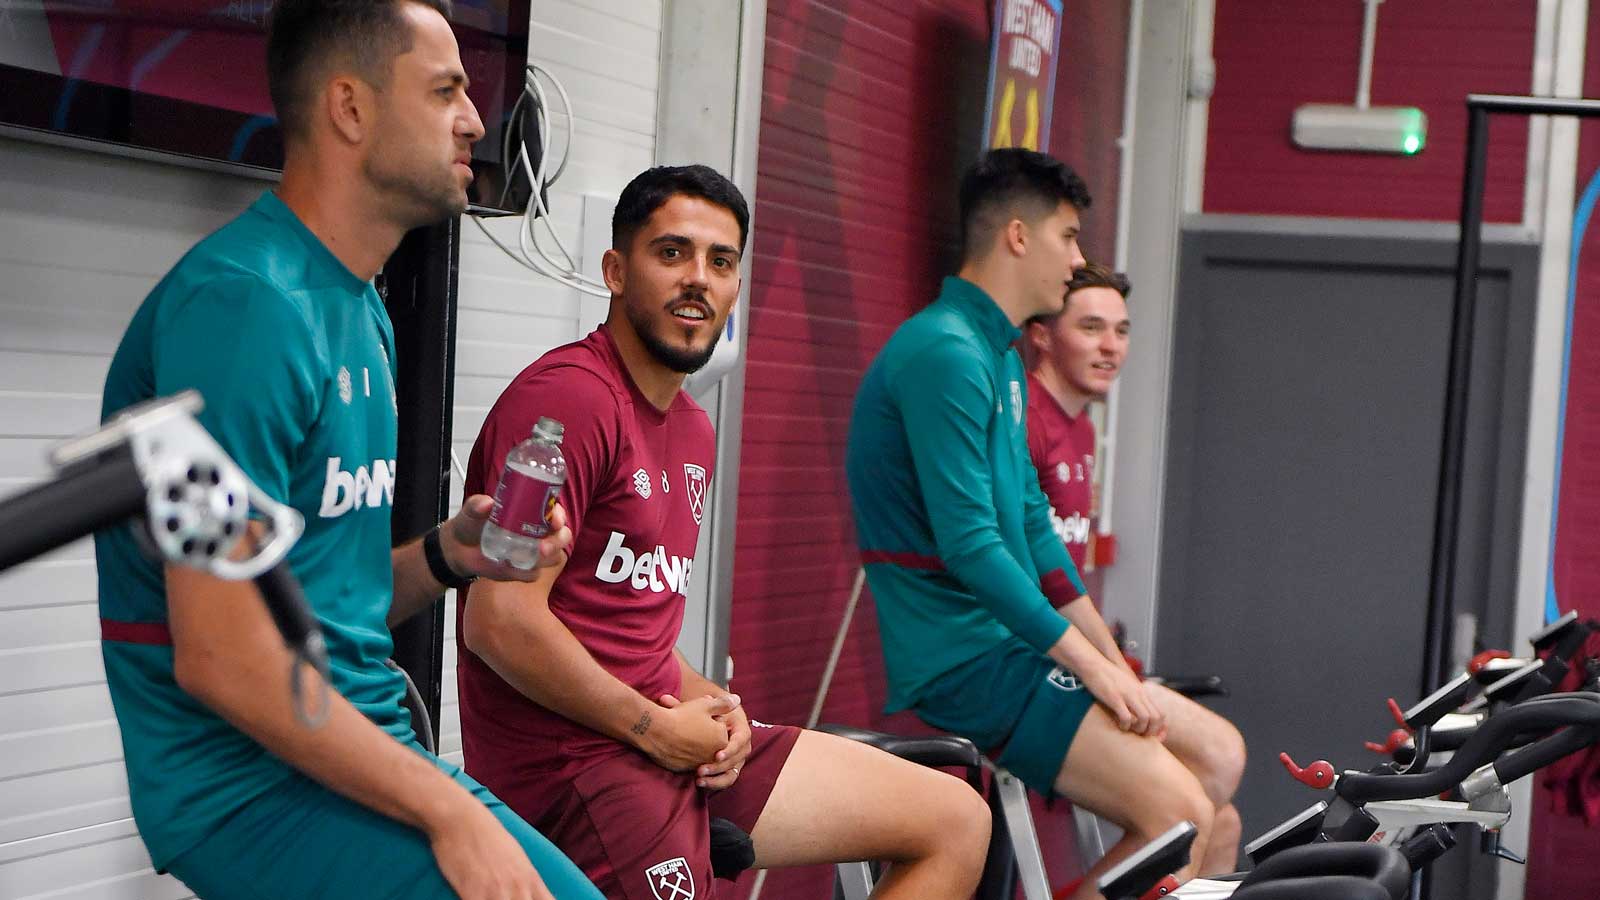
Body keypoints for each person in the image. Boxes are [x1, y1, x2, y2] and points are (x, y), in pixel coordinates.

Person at [94, 2, 601, 897]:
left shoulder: (359, 307)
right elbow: (225, 657)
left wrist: (451, 553)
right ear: (351, 109)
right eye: (445, 90)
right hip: (244, 790)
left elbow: (331, 601)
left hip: (356, 750)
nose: (478, 120)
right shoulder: (244, 308)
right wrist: (449, 814)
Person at [457, 163, 992, 900]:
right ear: (616, 270)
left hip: (660, 739)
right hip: (574, 765)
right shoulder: (567, 402)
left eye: (721, 261)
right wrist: (650, 727)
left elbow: (628, 629)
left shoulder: (692, 427)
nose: (698, 280)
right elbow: (499, 621)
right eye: (671, 253)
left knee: (956, 820)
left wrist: (727, 711)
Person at [845, 148, 1226, 899]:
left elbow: (1030, 526)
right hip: (964, 657)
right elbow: (971, 547)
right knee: (1180, 815)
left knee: (1215, 762)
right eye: (1068, 236)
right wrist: (1091, 668)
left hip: (1008, 644)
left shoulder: (1000, 359)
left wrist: (1110, 664)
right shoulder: (944, 352)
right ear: (1018, 236)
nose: (1077, 258)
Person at [1022, 262, 1246, 876]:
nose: (1110, 346)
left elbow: (1064, 574)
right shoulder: (1022, 418)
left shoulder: (1083, 431)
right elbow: (1014, 573)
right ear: (1042, 334)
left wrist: (1114, 665)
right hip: (1028, 665)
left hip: (1076, 655)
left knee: (1220, 824)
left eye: (1121, 330)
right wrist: (1101, 668)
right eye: (1091, 327)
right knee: (1215, 769)